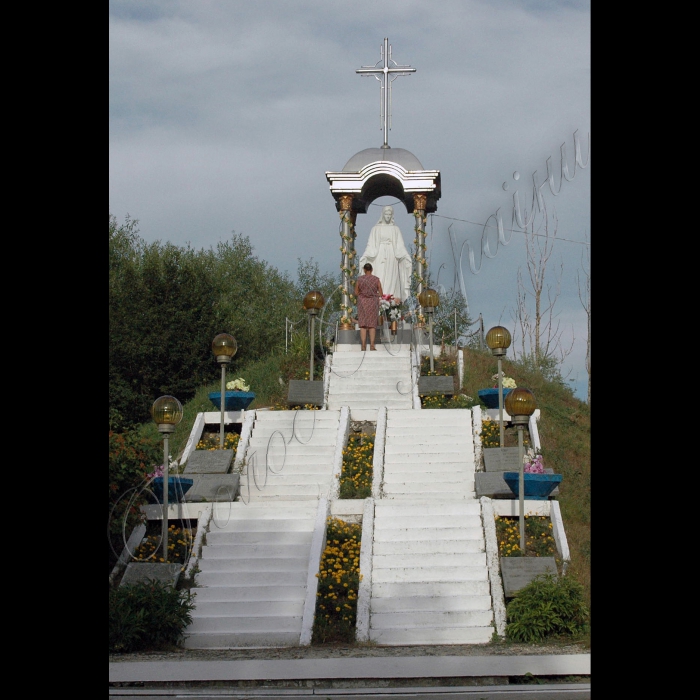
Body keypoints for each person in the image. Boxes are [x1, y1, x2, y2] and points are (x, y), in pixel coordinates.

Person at [359, 205, 412, 304]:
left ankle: (391, 300)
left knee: (391, 277)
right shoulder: (375, 229)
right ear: (382, 215)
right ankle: (379, 299)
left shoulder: (395, 229)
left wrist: (405, 255)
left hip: (392, 255)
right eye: (386, 214)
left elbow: (400, 245)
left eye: (389, 214)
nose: (388, 216)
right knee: (380, 275)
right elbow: (370, 245)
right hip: (378, 255)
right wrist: (366, 256)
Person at [354, 262, 383, 351]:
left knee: (362, 324)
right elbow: (381, 293)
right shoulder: (376, 279)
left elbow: (356, 292)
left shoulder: (360, 279)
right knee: (372, 325)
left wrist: (363, 294)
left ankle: (363, 346)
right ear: (371, 270)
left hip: (362, 302)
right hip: (372, 302)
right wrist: (374, 294)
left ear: (364, 270)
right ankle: (372, 346)